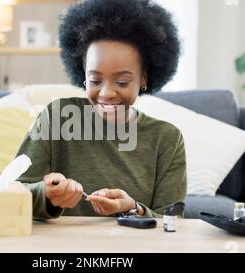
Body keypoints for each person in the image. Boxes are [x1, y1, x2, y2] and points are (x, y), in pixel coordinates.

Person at [16, 0, 186, 220]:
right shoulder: (57, 116)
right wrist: (47, 195)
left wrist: (133, 208)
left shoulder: (167, 139)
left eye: (122, 82)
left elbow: (172, 222)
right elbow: (10, 193)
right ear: (83, 74)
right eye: (95, 80)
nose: (106, 93)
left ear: (143, 77)